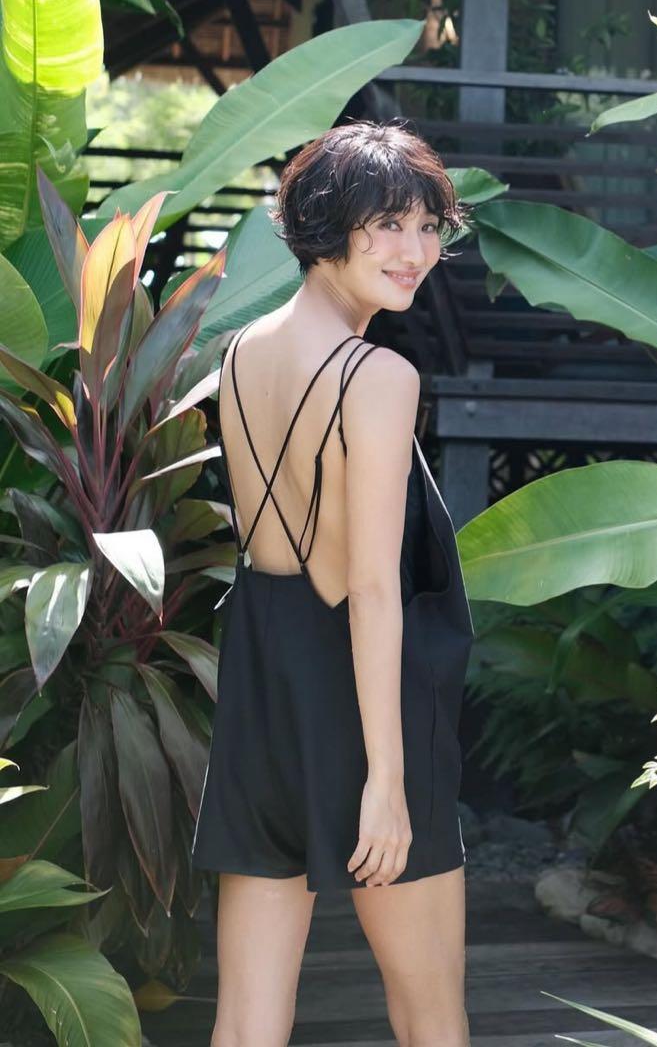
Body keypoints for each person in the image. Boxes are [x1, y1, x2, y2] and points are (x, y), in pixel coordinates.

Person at [190, 119, 476, 1047]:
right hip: (366, 699)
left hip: (263, 685)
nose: (414, 252)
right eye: (387, 224)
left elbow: (280, 542)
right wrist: (386, 780)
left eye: (427, 227)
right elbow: (369, 589)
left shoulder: (240, 351)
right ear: (324, 227)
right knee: (431, 1014)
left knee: (245, 1020)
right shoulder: (378, 376)